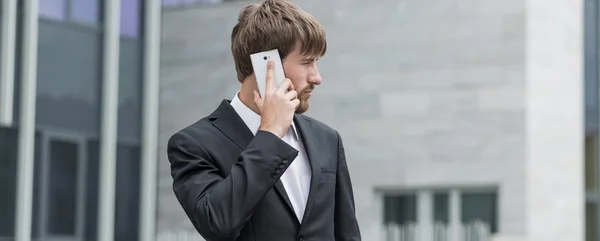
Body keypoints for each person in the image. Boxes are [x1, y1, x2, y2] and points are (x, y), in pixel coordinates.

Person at [166, 0, 361, 240]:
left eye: (317, 62)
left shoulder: (327, 139)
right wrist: (269, 135)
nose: (317, 77)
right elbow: (217, 223)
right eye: (307, 62)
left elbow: (347, 233)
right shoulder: (193, 145)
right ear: (267, 66)